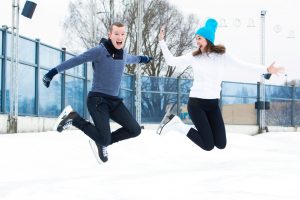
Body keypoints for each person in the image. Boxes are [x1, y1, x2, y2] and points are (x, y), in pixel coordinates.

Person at [157, 18, 284, 151]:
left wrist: (266, 69)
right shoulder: (194, 57)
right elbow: (171, 61)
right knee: (208, 145)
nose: (197, 42)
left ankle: (187, 127)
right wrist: (162, 41)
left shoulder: (222, 56)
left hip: (212, 105)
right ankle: (177, 125)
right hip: (196, 104)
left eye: (199, 38)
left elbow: (243, 65)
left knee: (221, 144)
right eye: (196, 38)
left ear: (207, 39)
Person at [43, 22, 152, 163]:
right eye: (116, 33)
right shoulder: (100, 50)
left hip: (114, 102)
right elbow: (78, 59)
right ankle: (74, 118)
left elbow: (134, 58)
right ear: (110, 35)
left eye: (123, 34)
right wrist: (52, 72)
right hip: (97, 101)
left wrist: (145, 59)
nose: (120, 37)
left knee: (135, 130)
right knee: (104, 138)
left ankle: (102, 142)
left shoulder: (123, 54)